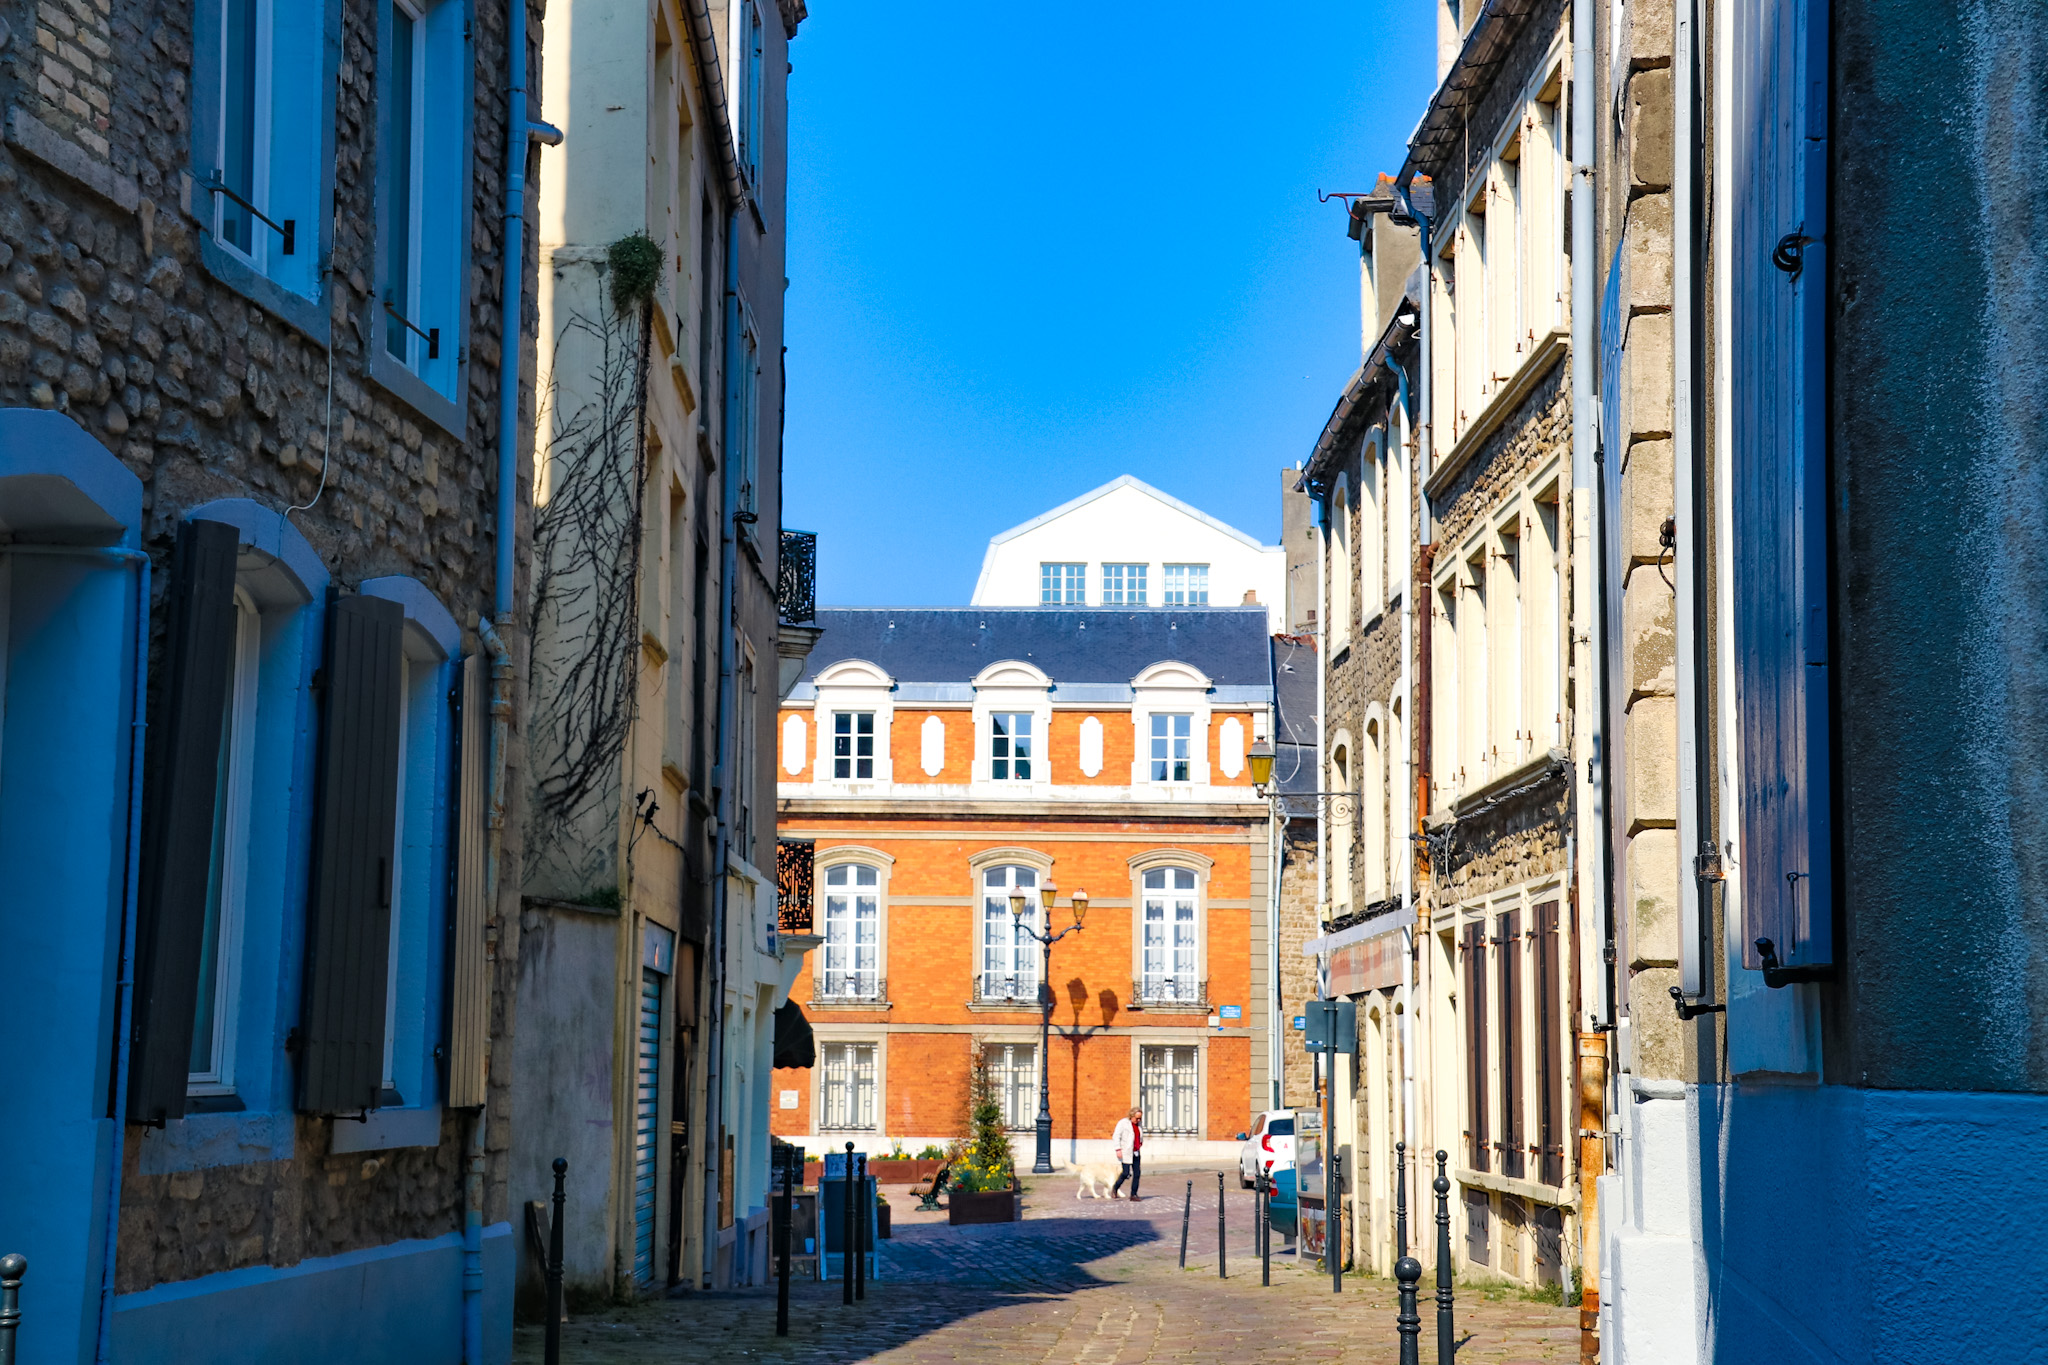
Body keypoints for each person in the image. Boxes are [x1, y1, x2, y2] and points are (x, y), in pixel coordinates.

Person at [1110, 1107, 1143, 1201]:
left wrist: (1140, 1143)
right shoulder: (1123, 1123)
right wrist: (1118, 1149)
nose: (1138, 1120)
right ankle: (1115, 1187)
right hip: (1126, 1151)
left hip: (1136, 1151)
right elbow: (1116, 1136)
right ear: (1132, 1116)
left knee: (1137, 1173)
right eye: (1137, 1118)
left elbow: (1139, 1135)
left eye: (1140, 1118)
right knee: (1126, 1173)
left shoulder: (1139, 1125)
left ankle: (1134, 1194)